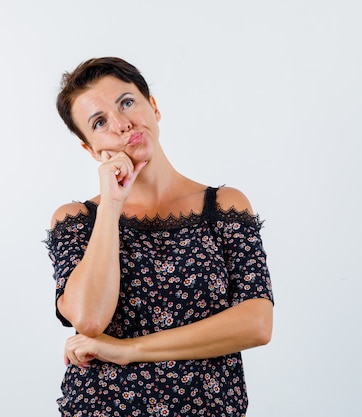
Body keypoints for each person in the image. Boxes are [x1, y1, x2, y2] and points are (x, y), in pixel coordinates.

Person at [45, 57, 274, 417]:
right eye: (100, 122)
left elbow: (256, 324)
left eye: (126, 102)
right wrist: (112, 205)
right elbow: (89, 321)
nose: (122, 124)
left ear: (153, 106)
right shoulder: (77, 220)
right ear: (90, 149)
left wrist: (128, 349)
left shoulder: (225, 206)